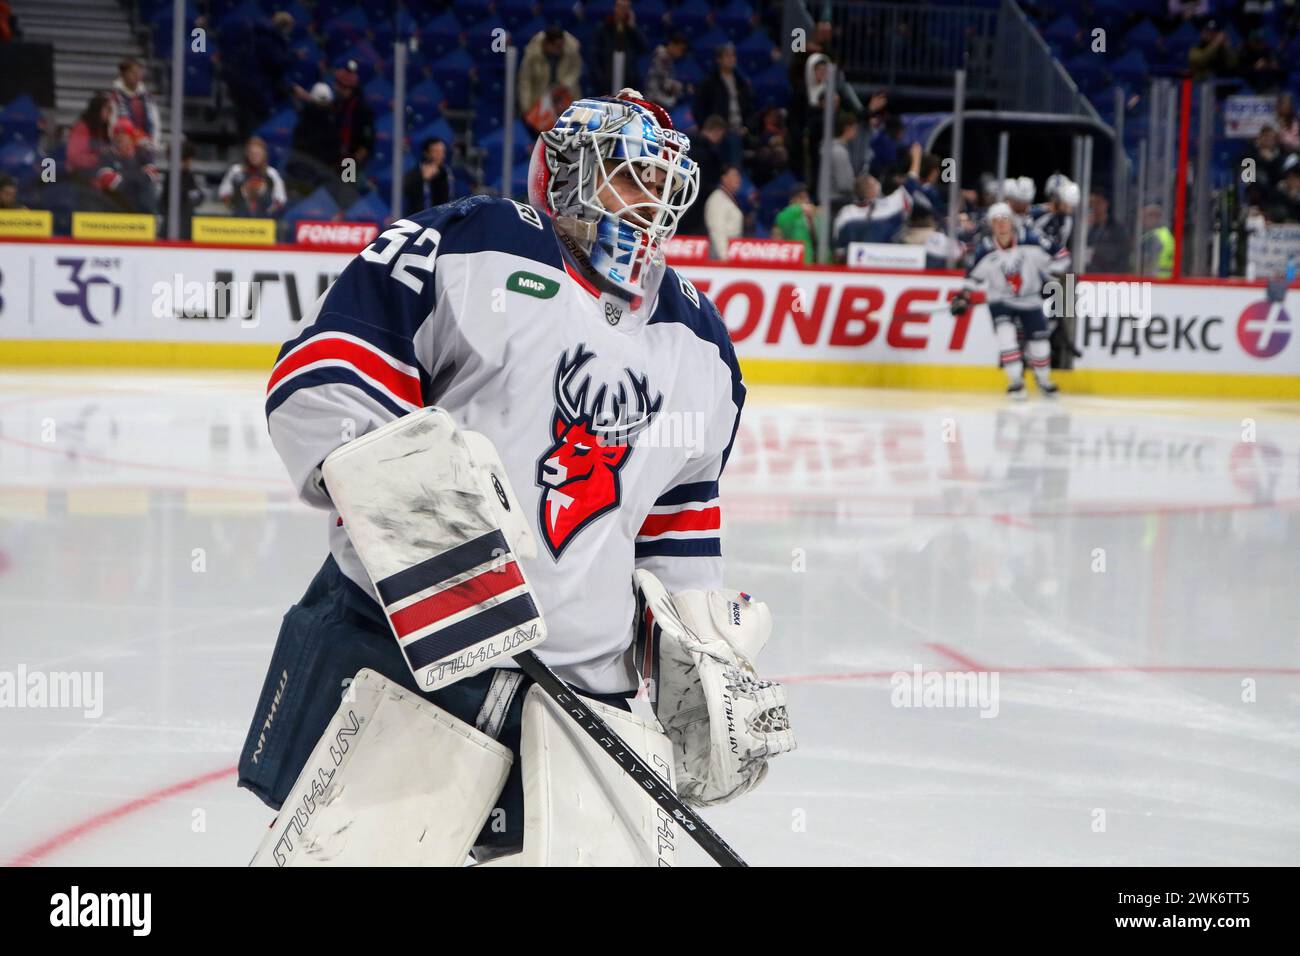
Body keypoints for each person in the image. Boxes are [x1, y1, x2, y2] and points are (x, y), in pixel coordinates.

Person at [238, 89, 792, 865]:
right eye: (629, 176)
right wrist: (427, 524)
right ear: (562, 171)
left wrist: (700, 654)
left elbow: (677, 526)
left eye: (665, 185)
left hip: (585, 699)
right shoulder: (480, 241)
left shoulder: (702, 343)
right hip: (407, 652)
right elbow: (326, 379)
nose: (651, 202)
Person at [950, 202, 1061, 399]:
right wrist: (963, 298)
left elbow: (1060, 256)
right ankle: (1016, 382)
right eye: (996, 221)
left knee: (1041, 345)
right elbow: (972, 279)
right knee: (1006, 337)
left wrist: (1052, 278)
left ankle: (1043, 379)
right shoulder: (985, 250)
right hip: (1000, 301)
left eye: (1005, 219)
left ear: (1011, 221)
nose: (1001, 224)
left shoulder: (1032, 241)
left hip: (1030, 300)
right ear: (991, 225)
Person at [518, 25, 583, 134]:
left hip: (565, 95)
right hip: (539, 99)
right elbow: (525, 81)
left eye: (562, 45)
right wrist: (526, 108)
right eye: (557, 46)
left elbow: (576, 69)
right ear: (547, 44)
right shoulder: (532, 54)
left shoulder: (571, 49)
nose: (560, 49)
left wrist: (565, 84)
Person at [218, 136, 287, 217]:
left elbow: (281, 199)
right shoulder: (236, 170)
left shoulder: (271, 173)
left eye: (257, 154)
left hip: (264, 222)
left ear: (264, 154)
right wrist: (233, 208)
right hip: (239, 220)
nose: (254, 157)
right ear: (247, 154)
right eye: (252, 153)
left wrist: (269, 211)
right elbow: (223, 193)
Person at [108, 58, 162, 162]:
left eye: (139, 72)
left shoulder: (147, 98)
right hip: (123, 148)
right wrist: (115, 143)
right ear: (123, 74)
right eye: (132, 72)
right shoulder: (115, 98)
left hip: (144, 146)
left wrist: (154, 142)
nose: (137, 75)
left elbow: (155, 122)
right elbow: (111, 123)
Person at [590, 0, 648, 95]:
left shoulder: (631, 29)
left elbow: (644, 47)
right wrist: (600, 77)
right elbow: (594, 53)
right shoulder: (604, 27)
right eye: (620, 7)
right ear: (614, 8)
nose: (622, 11)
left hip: (626, 74)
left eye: (626, 8)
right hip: (607, 72)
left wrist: (633, 27)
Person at [402, 138, 453, 214]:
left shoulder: (446, 172)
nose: (441, 155)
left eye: (442, 151)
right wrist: (421, 178)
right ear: (427, 153)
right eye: (436, 151)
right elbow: (403, 189)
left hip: (440, 217)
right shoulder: (415, 172)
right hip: (419, 218)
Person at [704, 164, 744, 259]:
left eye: (738, 176)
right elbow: (717, 230)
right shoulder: (717, 199)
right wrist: (724, 256)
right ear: (724, 178)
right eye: (734, 175)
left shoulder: (727, 198)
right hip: (721, 255)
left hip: (732, 251)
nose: (738, 179)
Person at [1085, 190, 1130, 273]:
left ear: (1106, 204)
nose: (1094, 207)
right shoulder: (1082, 229)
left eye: (1097, 202)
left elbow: (1120, 257)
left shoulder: (1117, 230)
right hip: (1085, 277)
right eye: (1091, 203)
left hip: (1108, 279)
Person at [771, 184, 818, 263]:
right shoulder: (786, 215)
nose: (806, 201)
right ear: (792, 200)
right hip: (792, 263)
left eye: (806, 198)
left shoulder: (810, 218)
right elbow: (781, 220)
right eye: (801, 198)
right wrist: (801, 208)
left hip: (810, 264)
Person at [644, 33, 690, 109]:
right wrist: (684, 87)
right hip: (654, 100)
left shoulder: (667, 58)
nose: (681, 53)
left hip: (659, 99)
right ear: (671, 44)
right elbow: (665, 84)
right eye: (680, 49)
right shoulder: (663, 57)